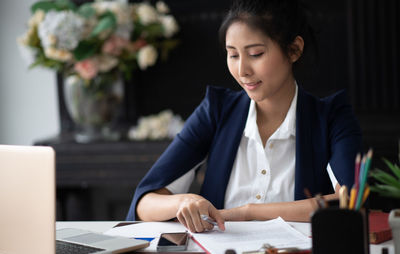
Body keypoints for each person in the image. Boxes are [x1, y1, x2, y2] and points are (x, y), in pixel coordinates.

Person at [126, 0, 362, 233]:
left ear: (294, 50)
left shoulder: (332, 117)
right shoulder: (216, 110)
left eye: (256, 54)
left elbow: (350, 202)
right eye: (233, 55)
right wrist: (183, 202)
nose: (242, 71)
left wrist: (247, 212)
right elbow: (144, 203)